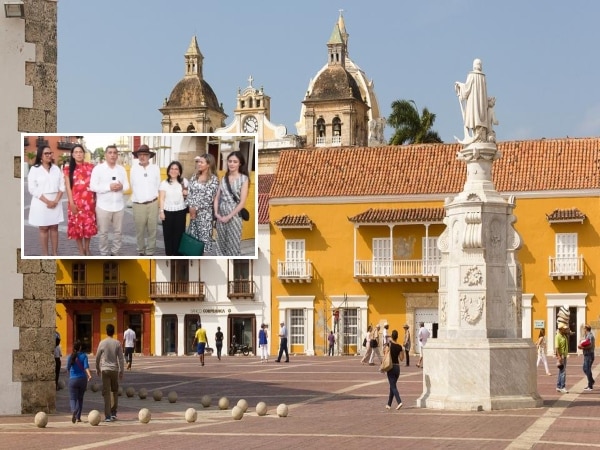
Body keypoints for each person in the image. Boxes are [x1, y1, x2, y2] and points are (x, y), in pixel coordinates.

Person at [90, 145, 129, 256]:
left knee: (118, 232)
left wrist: (121, 187)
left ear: (117, 155)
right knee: (103, 233)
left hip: (119, 206)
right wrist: (108, 187)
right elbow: (93, 186)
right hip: (103, 206)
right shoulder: (98, 169)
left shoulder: (121, 169)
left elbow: (127, 185)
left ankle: (115, 252)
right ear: (105, 155)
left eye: (114, 153)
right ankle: (104, 253)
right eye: (110, 152)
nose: (112, 155)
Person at [28, 145, 65, 256]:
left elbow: (62, 186)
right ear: (40, 156)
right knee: (43, 228)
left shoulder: (56, 169)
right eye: (46, 153)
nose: (49, 155)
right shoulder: (35, 170)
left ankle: (54, 253)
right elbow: (32, 188)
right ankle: (45, 254)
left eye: (50, 153)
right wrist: (48, 202)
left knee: (54, 227)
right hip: (41, 202)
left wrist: (56, 201)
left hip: (55, 201)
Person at [214, 151, 249, 256]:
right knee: (220, 244)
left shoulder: (244, 179)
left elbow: (242, 202)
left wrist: (229, 216)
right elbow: (217, 198)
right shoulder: (224, 178)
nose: (232, 164)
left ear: (240, 164)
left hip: (234, 215)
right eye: (230, 161)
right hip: (221, 215)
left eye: (235, 161)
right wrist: (216, 213)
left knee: (233, 244)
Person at [63, 144, 96, 256]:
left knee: (88, 227)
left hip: (89, 203)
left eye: (80, 152)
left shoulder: (91, 167)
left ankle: (87, 248)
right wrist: (71, 203)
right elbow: (68, 187)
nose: (78, 154)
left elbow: (95, 184)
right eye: (76, 152)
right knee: (77, 228)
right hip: (75, 203)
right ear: (72, 155)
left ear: (83, 154)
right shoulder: (68, 169)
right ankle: (81, 250)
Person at [130, 144, 161, 256]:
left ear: (149, 156)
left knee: (152, 230)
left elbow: (158, 185)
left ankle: (150, 251)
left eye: (145, 154)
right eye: (140, 155)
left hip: (153, 202)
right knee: (140, 230)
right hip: (138, 204)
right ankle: (141, 250)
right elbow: (132, 184)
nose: (142, 157)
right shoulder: (134, 169)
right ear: (137, 156)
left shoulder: (155, 168)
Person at [186, 154, 218, 254]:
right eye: (198, 162)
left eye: (201, 162)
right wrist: (190, 207)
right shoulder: (194, 176)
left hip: (205, 215)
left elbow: (209, 197)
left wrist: (196, 208)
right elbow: (190, 192)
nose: (199, 164)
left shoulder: (214, 179)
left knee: (203, 243)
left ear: (208, 164)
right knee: (193, 242)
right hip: (193, 215)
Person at [454, 58, 489, 144]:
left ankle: (477, 135)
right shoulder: (483, 77)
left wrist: (459, 85)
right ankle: (480, 135)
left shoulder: (471, 75)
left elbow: (466, 90)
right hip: (482, 107)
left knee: (474, 120)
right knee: (479, 120)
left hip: (474, 105)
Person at [95, 323, 125, 422]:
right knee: (115, 391)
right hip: (114, 370)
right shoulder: (117, 343)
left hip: (105, 369)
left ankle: (107, 415)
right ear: (113, 332)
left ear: (106, 331)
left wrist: (97, 368)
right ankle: (113, 412)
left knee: (106, 393)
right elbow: (121, 358)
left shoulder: (102, 343)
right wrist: (121, 371)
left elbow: (97, 357)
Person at [159, 160, 189, 255]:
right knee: (168, 234)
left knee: (179, 234)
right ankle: (169, 253)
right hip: (167, 211)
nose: (173, 171)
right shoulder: (164, 183)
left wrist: (186, 193)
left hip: (181, 211)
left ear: (179, 171)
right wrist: (161, 211)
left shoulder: (184, 182)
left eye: (176, 169)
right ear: (168, 171)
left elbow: (189, 196)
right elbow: (162, 199)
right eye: (171, 168)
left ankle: (178, 254)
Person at [66, 340, 92, 423]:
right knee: (80, 399)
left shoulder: (71, 356)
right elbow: (86, 367)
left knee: (73, 399)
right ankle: (78, 417)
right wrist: (89, 375)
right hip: (82, 379)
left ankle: (74, 410)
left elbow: (67, 368)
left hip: (73, 380)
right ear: (80, 347)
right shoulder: (84, 356)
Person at [384, 329, 404, 410]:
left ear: (392, 336)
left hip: (391, 367)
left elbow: (385, 354)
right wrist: (401, 351)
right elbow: (402, 358)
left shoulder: (389, 345)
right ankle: (389, 404)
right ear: (397, 337)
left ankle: (399, 402)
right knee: (392, 386)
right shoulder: (399, 347)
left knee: (393, 386)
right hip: (397, 368)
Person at [555, 324, 570, 394]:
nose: (565, 330)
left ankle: (558, 386)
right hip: (561, 355)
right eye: (564, 329)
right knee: (563, 372)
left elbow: (569, 333)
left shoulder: (564, 335)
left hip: (564, 355)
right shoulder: (558, 336)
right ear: (560, 329)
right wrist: (559, 356)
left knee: (561, 371)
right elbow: (557, 347)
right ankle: (562, 387)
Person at [582, 324, 595, 391]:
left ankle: (590, 385)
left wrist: (582, 347)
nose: (583, 330)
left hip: (589, 355)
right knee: (585, 368)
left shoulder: (590, 336)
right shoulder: (587, 335)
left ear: (586, 329)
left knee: (587, 369)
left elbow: (590, 345)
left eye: (584, 329)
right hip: (587, 354)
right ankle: (591, 381)